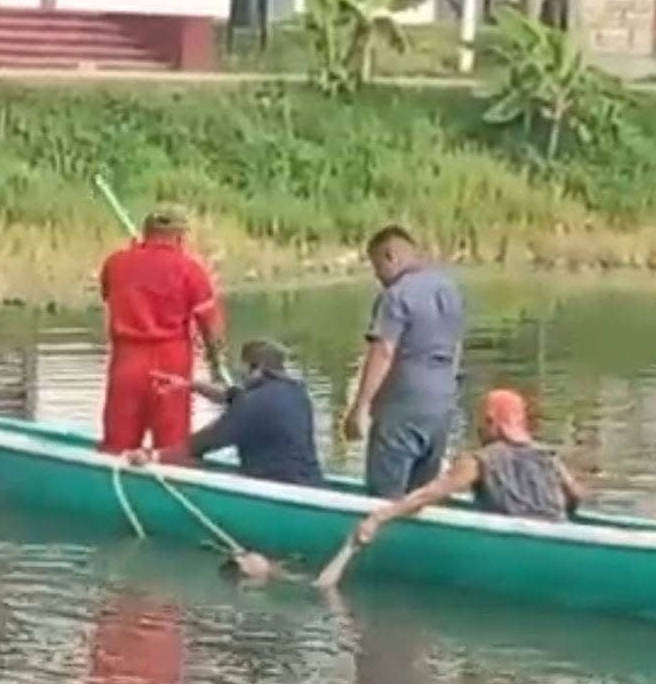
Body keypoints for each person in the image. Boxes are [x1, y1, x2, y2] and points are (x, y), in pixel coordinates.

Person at [353, 388, 583, 546]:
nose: (479, 428)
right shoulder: (548, 457)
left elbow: (429, 494)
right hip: (556, 529)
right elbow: (575, 495)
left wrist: (380, 516)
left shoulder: (478, 461)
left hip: (514, 544)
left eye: (483, 421)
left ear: (494, 423)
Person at [343, 226, 464, 499]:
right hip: (442, 404)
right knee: (421, 495)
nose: (377, 277)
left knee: (384, 493)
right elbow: (456, 346)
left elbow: (384, 351)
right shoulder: (449, 289)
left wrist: (359, 408)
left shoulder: (395, 295)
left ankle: (380, 538)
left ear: (390, 256)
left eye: (376, 267)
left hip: (402, 406)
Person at [99, 206, 224, 454]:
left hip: (127, 360)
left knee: (118, 442)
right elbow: (211, 328)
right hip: (171, 362)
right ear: (180, 237)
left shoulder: (115, 263)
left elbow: (108, 295)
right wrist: (216, 368)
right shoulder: (190, 269)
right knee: (172, 445)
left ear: (146, 232)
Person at [127, 339, 323, 487]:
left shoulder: (252, 404)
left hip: (276, 487)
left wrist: (152, 456)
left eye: (242, 367)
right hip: (310, 483)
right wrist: (189, 385)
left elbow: (203, 443)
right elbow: (229, 395)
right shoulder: (296, 393)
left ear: (256, 368)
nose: (239, 373)